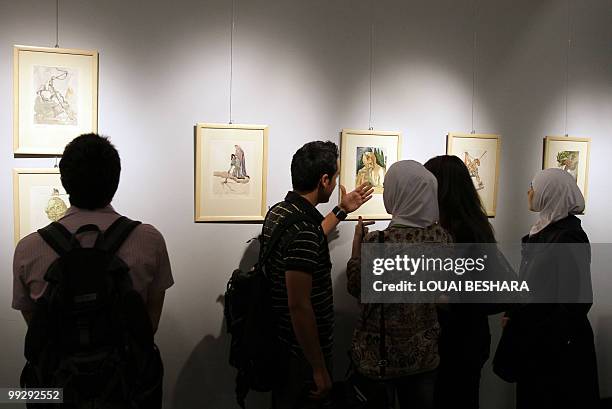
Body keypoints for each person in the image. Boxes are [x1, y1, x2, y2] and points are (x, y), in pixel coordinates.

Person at [12, 133, 173, 407]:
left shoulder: (28, 248)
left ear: (64, 182)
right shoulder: (150, 239)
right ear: (116, 181)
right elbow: (148, 326)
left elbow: (38, 328)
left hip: (55, 393)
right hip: (127, 391)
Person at [263, 141, 373, 409]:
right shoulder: (303, 230)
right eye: (334, 177)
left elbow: (307, 242)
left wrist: (342, 209)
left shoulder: (280, 211)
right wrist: (319, 368)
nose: (335, 184)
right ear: (324, 180)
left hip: (280, 345)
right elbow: (298, 305)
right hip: (300, 355)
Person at [347, 160, 451, 409]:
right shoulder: (442, 239)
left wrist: (356, 247)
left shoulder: (379, 242)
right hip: (424, 356)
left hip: (380, 357)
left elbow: (356, 287)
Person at [505, 168, 599, 409]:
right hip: (540, 340)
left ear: (549, 193)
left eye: (533, 186)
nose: (528, 191)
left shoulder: (568, 236)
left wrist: (536, 329)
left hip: (556, 347)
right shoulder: (544, 231)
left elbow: (576, 301)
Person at [424, 155, 502, 409]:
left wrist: (442, 298)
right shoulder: (472, 225)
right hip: (465, 339)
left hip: (457, 341)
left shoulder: (463, 233)